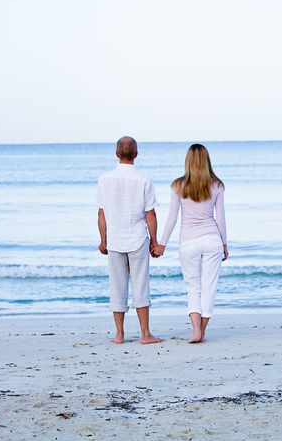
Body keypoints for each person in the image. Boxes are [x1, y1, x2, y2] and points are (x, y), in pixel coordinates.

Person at [153, 144, 228, 343]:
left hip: (188, 241)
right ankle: (202, 331)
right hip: (212, 239)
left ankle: (196, 331)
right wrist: (224, 244)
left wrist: (162, 244)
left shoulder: (178, 185)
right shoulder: (217, 185)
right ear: (206, 160)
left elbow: (172, 218)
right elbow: (220, 219)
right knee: (209, 285)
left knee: (193, 285)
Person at [97, 136, 162, 345]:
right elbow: (150, 214)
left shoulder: (104, 179)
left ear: (116, 154)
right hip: (137, 239)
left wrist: (103, 240)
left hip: (115, 240)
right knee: (141, 285)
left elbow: (102, 213)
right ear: (136, 154)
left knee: (117, 286)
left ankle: (119, 334)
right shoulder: (144, 180)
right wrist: (155, 241)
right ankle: (145, 334)